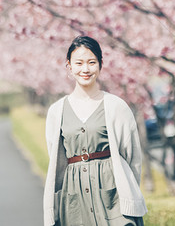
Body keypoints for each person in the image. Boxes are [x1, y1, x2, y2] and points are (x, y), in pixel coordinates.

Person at [42, 36, 147, 226]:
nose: (85, 69)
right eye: (79, 63)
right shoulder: (56, 111)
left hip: (113, 195)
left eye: (92, 62)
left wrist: (128, 191)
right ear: (69, 66)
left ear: (100, 65)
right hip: (74, 198)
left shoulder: (116, 106)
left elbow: (132, 158)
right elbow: (55, 157)